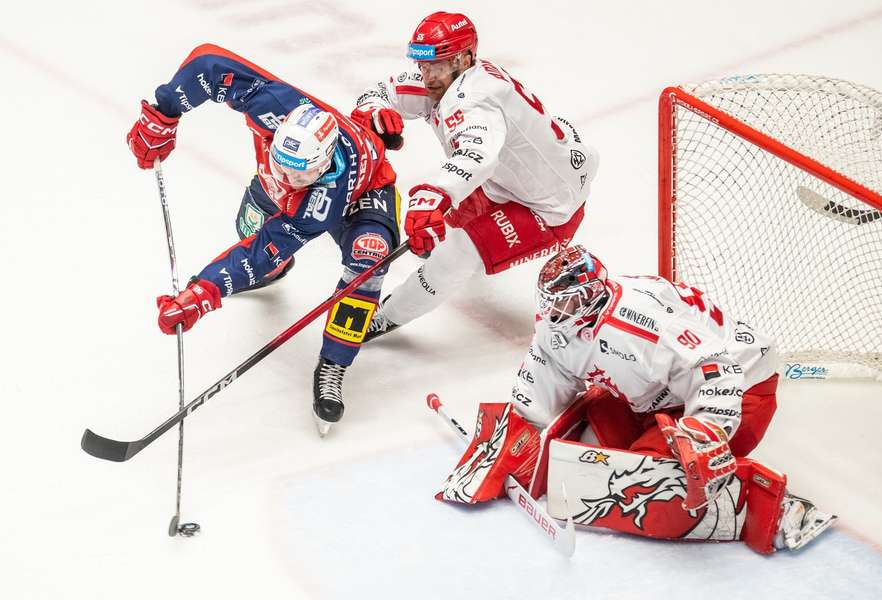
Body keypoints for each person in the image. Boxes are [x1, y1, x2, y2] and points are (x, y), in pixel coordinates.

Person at [436, 245, 836, 553]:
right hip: (663, 393)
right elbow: (548, 370)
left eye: (566, 302)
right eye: (551, 302)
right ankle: (666, 445)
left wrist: (705, 430)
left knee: (649, 477)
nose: (555, 311)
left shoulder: (638, 322)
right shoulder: (557, 322)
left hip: (742, 388)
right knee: (599, 417)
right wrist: (519, 428)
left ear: (591, 296)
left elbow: (718, 367)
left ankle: (776, 509)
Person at [126, 44, 401, 435]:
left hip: (364, 196)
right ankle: (278, 272)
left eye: (299, 176)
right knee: (249, 227)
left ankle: (334, 364)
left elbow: (260, 252)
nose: (288, 179)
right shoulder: (273, 104)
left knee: (368, 259)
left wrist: (204, 291)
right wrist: (165, 112)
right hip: (282, 197)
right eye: (281, 166)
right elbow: (208, 65)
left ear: (322, 169)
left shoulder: (319, 201)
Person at [350, 11, 598, 341]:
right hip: (514, 177)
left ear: (465, 58)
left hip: (550, 206)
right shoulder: (447, 78)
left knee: (456, 255)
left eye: (436, 65)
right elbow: (384, 91)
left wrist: (433, 196)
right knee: (442, 228)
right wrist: (374, 111)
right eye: (423, 65)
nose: (427, 77)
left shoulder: (472, 100)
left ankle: (385, 317)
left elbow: (477, 156)